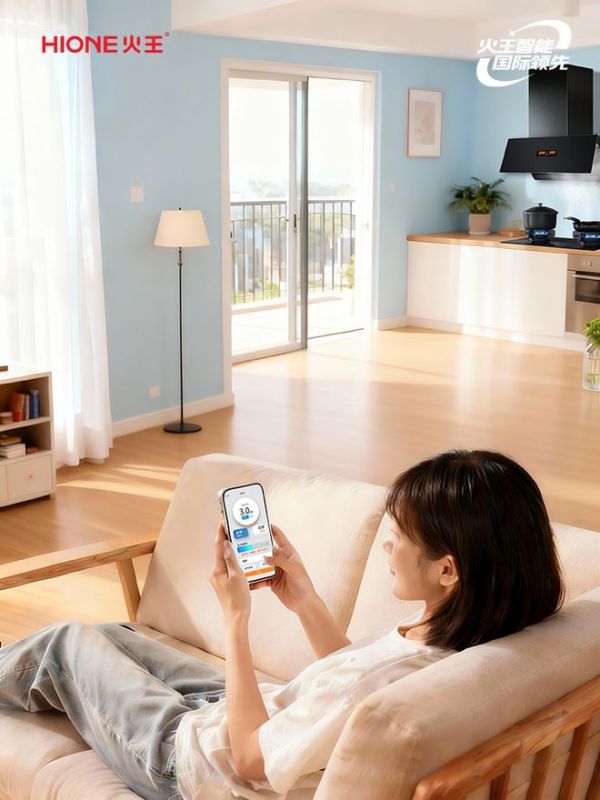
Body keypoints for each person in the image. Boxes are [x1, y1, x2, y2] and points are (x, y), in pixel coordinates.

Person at [0, 449, 565, 800]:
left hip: (198, 767)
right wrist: (305, 602)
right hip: (268, 712)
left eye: (399, 535)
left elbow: (249, 760)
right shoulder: (461, 631)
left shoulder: (391, 681)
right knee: (118, 634)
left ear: (448, 569)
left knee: (67, 642)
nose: (386, 545)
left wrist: (236, 621)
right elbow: (355, 679)